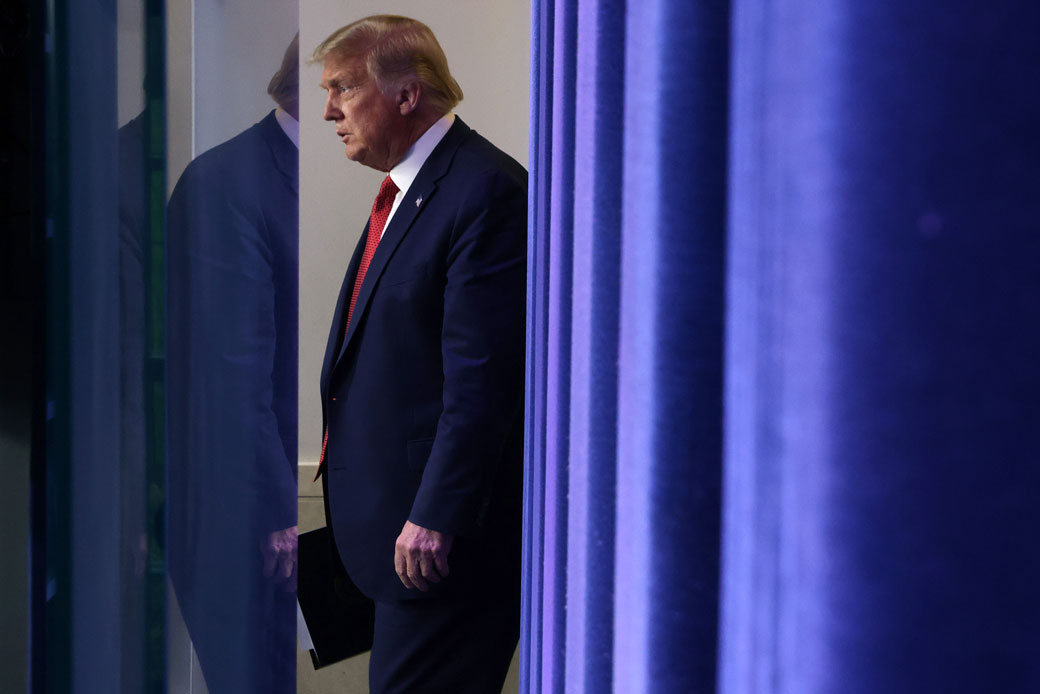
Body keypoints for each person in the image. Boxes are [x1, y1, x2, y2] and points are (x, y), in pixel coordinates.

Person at [311, 15, 527, 693]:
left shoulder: (484, 190)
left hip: (438, 546)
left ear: (407, 95)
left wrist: (436, 515)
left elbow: (482, 381)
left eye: (343, 88)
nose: (327, 112)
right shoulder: (410, 191)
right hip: (386, 535)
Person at [166, 34, 300, 694]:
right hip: (245, 518)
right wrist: (278, 510)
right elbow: (232, 370)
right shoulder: (227, 182)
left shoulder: (323, 176)